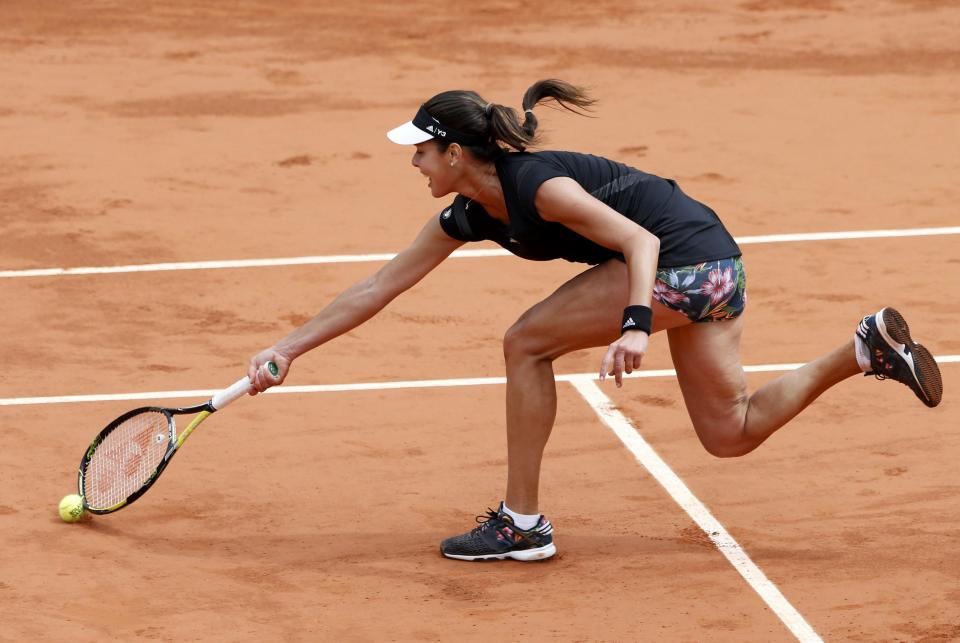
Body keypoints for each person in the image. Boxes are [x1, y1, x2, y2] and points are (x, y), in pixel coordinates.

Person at [247, 79, 943, 562]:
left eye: (422, 150)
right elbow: (379, 284)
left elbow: (641, 242)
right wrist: (287, 348)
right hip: (719, 265)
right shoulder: (466, 213)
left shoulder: (538, 185)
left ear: (456, 152)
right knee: (730, 433)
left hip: (682, 266)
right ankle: (859, 350)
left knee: (524, 342)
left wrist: (636, 324)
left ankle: (521, 525)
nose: (414, 161)